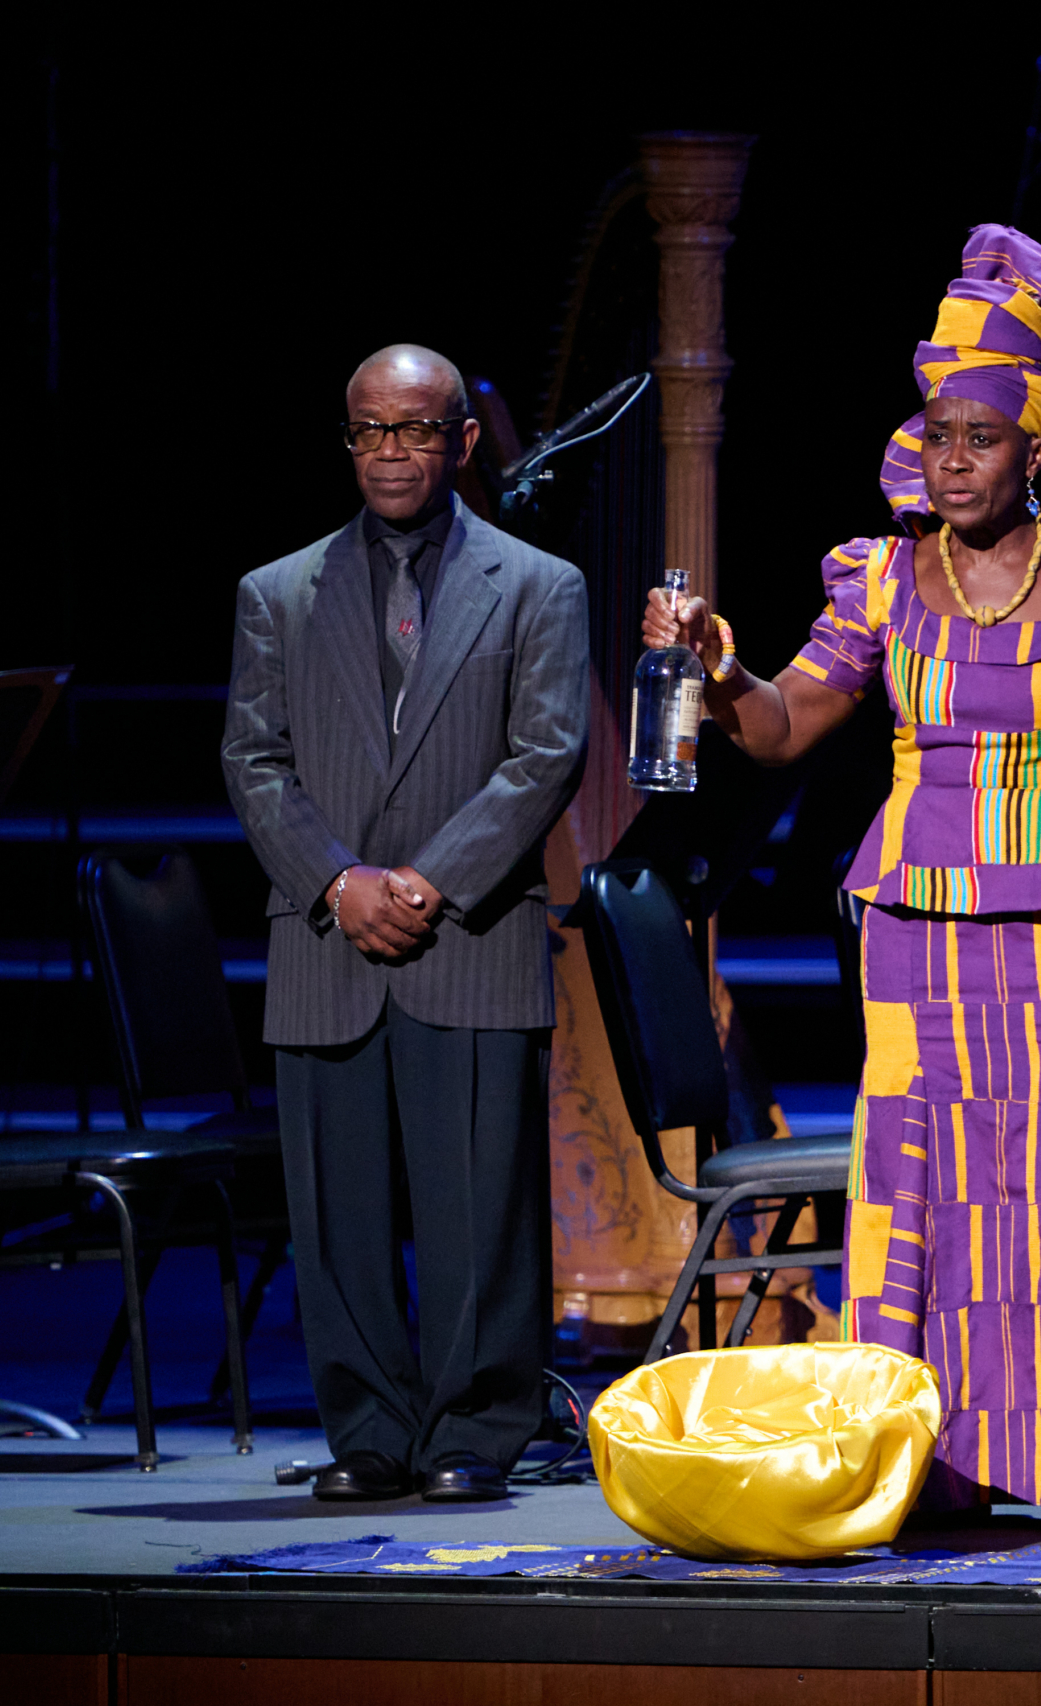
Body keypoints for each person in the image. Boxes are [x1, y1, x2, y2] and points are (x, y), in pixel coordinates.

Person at [638, 226, 1041, 1531]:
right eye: (938, 435)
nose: (955, 458)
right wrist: (715, 666)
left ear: (1037, 450)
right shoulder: (877, 580)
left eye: (981, 438)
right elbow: (777, 728)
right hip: (915, 924)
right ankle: (915, 1463)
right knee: (920, 1179)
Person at [223, 343, 589, 1502]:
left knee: (478, 1198)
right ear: (348, 440)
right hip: (326, 933)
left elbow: (545, 754)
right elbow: (253, 757)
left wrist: (427, 881)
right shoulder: (277, 591)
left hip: (467, 933)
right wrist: (339, 881)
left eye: (417, 428)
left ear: (462, 440)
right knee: (337, 1206)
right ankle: (370, 1430)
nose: (392, 450)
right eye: (371, 430)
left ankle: (475, 1429)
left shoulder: (539, 584)